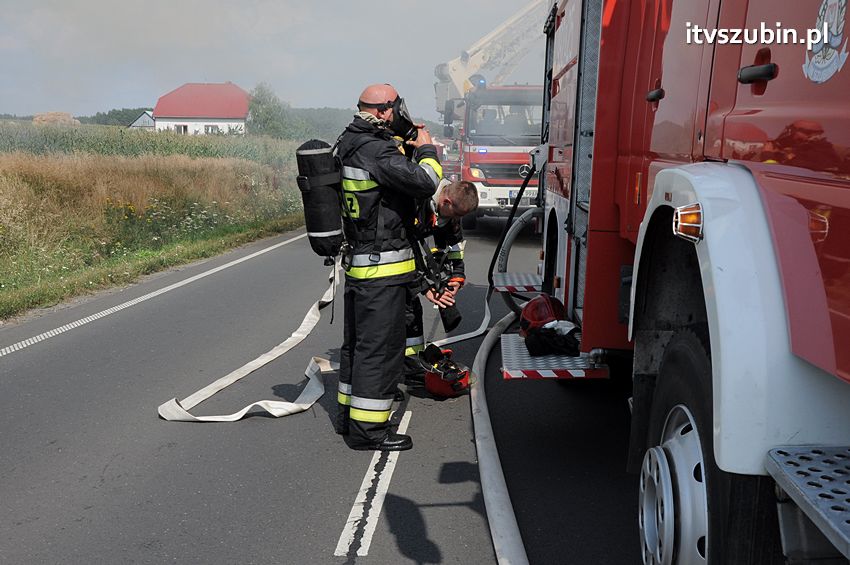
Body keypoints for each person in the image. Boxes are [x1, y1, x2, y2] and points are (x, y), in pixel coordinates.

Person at [336, 83, 443, 452]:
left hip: (361, 267)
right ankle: (369, 432)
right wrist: (427, 149)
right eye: (396, 108)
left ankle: (348, 416)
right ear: (383, 112)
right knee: (379, 352)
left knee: (358, 347)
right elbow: (426, 183)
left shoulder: (349, 141)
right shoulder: (376, 150)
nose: (400, 114)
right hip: (382, 271)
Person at [403, 180, 479, 384]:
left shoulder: (450, 212)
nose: (457, 220)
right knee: (403, 314)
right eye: (457, 215)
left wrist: (456, 276)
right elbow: (405, 252)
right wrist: (425, 287)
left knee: (411, 314)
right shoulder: (416, 202)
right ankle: (395, 372)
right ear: (445, 202)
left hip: (415, 266)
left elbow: (454, 246)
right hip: (394, 267)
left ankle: (410, 368)